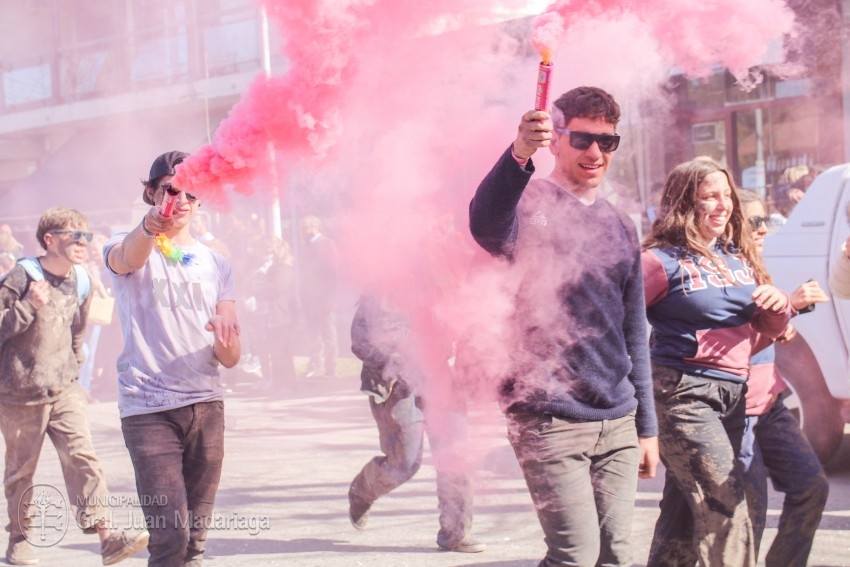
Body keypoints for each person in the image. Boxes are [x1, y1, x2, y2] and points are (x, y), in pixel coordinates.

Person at [468, 86, 659, 566]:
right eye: (582, 139)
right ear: (555, 141)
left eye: (607, 141)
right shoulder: (526, 204)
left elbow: (634, 330)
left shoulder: (622, 224)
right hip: (547, 417)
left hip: (617, 421)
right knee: (574, 556)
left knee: (617, 556)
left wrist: (646, 427)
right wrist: (518, 154)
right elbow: (485, 223)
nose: (595, 152)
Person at [641, 159, 793, 567]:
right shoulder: (659, 260)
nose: (723, 204)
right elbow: (621, 323)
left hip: (732, 394)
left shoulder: (734, 255)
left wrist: (780, 305)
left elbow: (767, 328)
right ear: (683, 203)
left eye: (726, 195)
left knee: (682, 512)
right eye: (709, 196)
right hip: (683, 394)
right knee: (726, 509)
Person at [104, 151, 241, 567]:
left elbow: (231, 357)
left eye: (190, 193)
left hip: (206, 406)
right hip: (148, 410)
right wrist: (151, 225)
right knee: (169, 538)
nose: (180, 200)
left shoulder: (216, 262)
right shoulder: (125, 243)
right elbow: (127, 258)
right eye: (170, 190)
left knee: (194, 542)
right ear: (150, 193)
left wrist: (226, 339)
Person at [0, 207, 148, 566]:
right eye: (75, 234)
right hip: (19, 395)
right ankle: (19, 539)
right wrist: (27, 307)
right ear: (50, 240)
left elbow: (78, 332)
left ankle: (107, 538)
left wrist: (75, 374)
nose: (84, 242)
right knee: (21, 471)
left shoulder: (80, 279)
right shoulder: (22, 276)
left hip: (64, 389)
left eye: (87, 235)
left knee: (83, 458)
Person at [736, 189, 829, 566]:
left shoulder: (756, 265)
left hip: (768, 402)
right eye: (754, 222)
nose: (763, 229)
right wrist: (791, 305)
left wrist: (784, 321)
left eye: (766, 220)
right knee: (748, 513)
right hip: (732, 411)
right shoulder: (720, 271)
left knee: (811, 487)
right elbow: (723, 346)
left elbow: (759, 330)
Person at [347, 294, 483, 553]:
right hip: (397, 383)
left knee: (456, 453)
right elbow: (360, 341)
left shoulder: (446, 284)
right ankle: (362, 491)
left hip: (441, 376)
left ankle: (455, 532)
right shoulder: (382, 288)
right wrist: (397, 360)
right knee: (404, 463)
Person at [299, 215, 339, 378]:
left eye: (306, 228)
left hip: (324, 297)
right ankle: (314, 365)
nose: (303, 231)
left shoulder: (326, 244)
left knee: (328, 333)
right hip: (310, 298)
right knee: (313, 334)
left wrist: (331, 298)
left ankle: (331, 368)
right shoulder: (307, 246)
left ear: (315, 227)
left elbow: (334, 272)